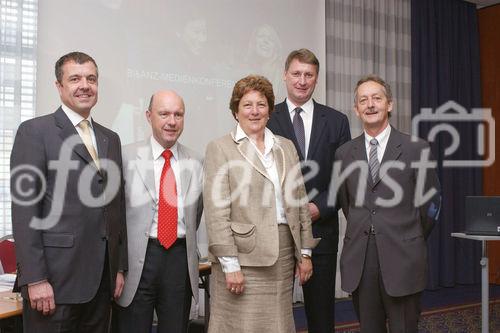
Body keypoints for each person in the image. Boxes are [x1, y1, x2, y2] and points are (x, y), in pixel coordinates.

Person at [10, 51, 128, 332]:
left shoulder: (110, 138)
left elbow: (115, 207)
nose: (84, 85)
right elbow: (25, 211)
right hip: (53, 284)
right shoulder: (35, 132)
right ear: (59, 86)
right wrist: (35, 279)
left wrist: (119, 267)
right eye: (74, 78)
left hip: (101, 282)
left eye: (91, 78)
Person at [204, 75, 319, 333]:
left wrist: (306, 253)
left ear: (270, 110)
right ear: (235, 111)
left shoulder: (286, 147)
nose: (254, 111)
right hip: (242, 260)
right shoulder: (220, 148)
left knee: (279, 325)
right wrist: (230, 265)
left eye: (261, 104)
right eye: (247, 105)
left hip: (283, 255)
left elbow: (300, 202)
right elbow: (216, 213)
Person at [335, 75, 441, 332]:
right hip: (361, 259)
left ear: (390, 104)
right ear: (356, 109)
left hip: (403, 258)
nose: (370, 105)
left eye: (377, 98)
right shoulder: (344, 154)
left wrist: (409, 235)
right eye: (363, 100)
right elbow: (347, 204)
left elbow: (431, 204)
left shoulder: (416, 149)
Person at [267, 48, 351, 333]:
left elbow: (343, 179)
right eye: (296, 74)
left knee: (321, 315)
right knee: (275, 315)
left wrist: (317, 208)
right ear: (285, 76)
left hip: (321, 230)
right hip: (276, 232)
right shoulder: (267, 118)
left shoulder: (337, 121)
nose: (302, 81)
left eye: (309, 75)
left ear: (316, 79)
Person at [114, 90, 203, 333]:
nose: (171, 121)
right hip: (137, 262)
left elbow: (196, 214)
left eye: (178, 114)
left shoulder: (196, 161)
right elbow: (115, 218)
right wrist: (117, 267)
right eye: (164, 114)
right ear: (148, 115)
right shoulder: (125, 156)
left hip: (179, 260)